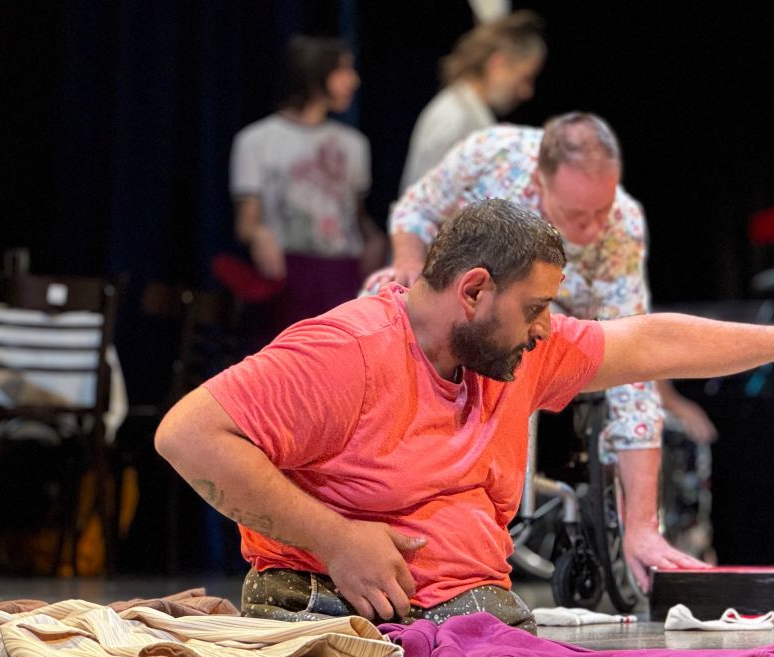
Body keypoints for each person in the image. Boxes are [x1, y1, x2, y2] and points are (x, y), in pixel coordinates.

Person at [155, 198, 774, 632]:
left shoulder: (515, 351)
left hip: (473, 617)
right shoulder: (347, 350)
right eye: (535, 308)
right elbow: (187, 434)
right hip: (335, 612)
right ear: (474, 291)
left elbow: (647, 341)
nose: (545, 328)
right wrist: (336, 538)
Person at [372, 112, 716, 591]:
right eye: (578, 216)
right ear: (538, 183)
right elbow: (415, 210)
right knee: (384, 300)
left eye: (602, 210)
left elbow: (635, 369)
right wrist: (407, 262)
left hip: (560, 326)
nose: (594, 229)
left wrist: (641, 525)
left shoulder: (621, 226)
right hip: (468, 307)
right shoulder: (488, 154)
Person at [229, 35, 386, 344]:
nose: (353, 80)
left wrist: (374, 239)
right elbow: (247, 222)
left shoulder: (353, 144)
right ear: (315, 72)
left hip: (342, 274)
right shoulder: (256, 141)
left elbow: (354, 217)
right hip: (290, 276)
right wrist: (259, 234)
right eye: (342, 70)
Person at [399, 10, 545, 194]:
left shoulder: (470, 113)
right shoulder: (455, 117)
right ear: (498, 64)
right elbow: (428, 201)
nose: (527, 92)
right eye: (525, 78)